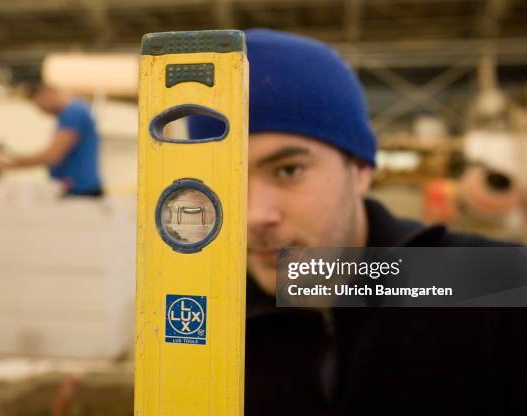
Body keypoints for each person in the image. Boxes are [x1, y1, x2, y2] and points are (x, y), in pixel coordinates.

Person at [189, 29, 527, 415]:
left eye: (288, 170)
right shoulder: (201, 324)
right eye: (224, 180)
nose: (254, 216)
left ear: (361, 169)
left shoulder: (495, 285)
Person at [0, 83, 104, 197]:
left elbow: (52, 156)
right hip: (71, 190)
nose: (40, 109)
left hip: (81, 192)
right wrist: (12, 158)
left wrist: (9, 165)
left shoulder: (74, 112)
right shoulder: (66, 116)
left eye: (38, 103)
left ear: (47, 94)